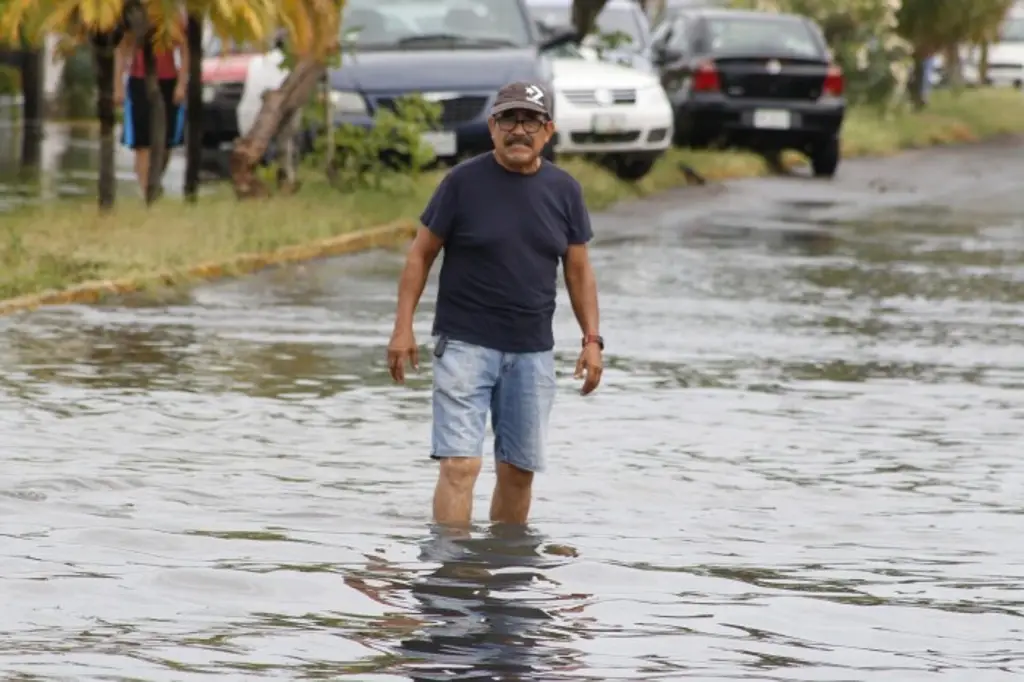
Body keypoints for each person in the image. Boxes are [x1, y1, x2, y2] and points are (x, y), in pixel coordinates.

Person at [387, 81, 604, 528]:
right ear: (492, 127)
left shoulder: (565, 191)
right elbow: (420, 254)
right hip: (464, 344)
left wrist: (592, 340)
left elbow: (579, 270)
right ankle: (452, 575)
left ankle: (506, 576)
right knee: (460, 465)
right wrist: (402, 327)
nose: (518, 130)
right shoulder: (462, 183)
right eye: (508, 119)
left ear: (548, 131)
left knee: (518, 472)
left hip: (532, 351)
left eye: (530, 121)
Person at [113, 24, 189, 195]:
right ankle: (147, 191)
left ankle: (153, 182)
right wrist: (118, 85)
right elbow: (122, 49)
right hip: (139, 81)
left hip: (168, 82)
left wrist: (182, 84)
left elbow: (184, 50)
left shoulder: (170, 16)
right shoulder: (134, 16)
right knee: (142, 144)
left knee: (165, 142)